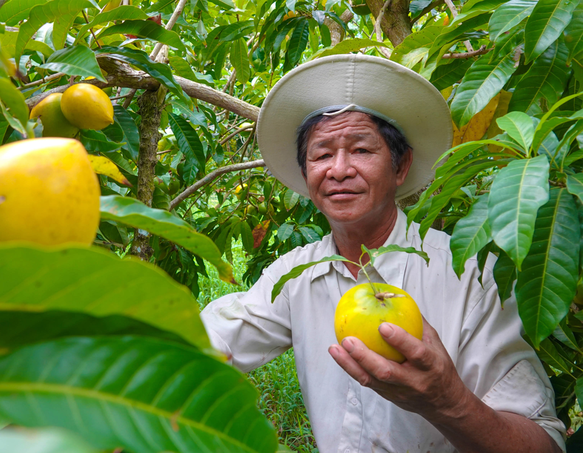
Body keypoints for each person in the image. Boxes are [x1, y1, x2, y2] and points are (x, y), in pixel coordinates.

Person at [200, 55, 567, 453]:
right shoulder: (296, 275)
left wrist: (448, 401)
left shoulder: (470, 275)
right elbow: (211, 339)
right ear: (306, 175)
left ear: (401, 166)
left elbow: (543, 443)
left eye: (360, 149)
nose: (338, 170)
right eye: (321, 154)